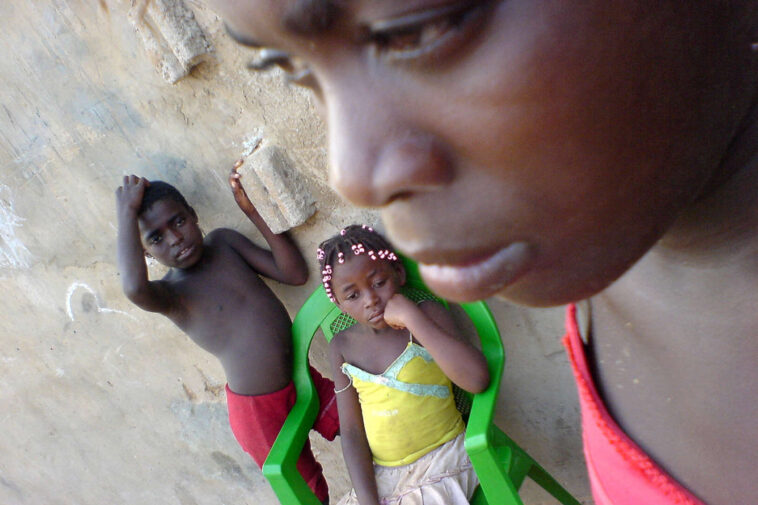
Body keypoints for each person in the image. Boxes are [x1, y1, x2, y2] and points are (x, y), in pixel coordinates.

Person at [200, 2, 758, 504]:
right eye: (295, 69)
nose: (351, 174)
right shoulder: (606, 294)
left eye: (418, 29)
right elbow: (353, 433)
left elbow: (473, 378)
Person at [115, 168, 339, 504]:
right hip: (258, 413)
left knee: (366, 424)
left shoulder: (225, 243)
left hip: (302, 377)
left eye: (178, 221)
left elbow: (294, 273)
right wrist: (125, 215)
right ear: (146, 254)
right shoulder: (172, 296)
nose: (175, 238)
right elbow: (133, 287)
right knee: (309, 492)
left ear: (193, 214)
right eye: (156, 238)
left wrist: (253, 212)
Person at [316, 225, 489, 505]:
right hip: (385, 477)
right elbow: (351, 432)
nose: (371, 300)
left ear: (398, 273)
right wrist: (368, 500)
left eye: (378, 283)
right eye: (353, 295)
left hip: (443, 460)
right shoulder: (341, 348)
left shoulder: (426, 315)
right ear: (339, 304)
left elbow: (477, 380)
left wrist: (412, 317)